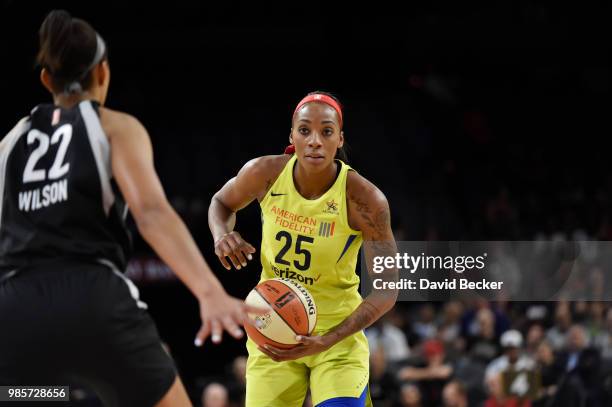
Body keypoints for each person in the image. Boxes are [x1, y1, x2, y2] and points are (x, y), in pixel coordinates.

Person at [0, 10, 265, 407]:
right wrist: (209, 292)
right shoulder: (115, 126)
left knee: (38, 398)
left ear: (45, 79)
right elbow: (151, 213)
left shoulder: (8, 143)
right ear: (102, 73)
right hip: (93, 299)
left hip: (16, 309)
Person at [208, 91, 398, 406]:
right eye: (305, 130)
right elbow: (221, 203)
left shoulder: (364, 200)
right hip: (273, 328)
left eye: (326, 131)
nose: (314, 141)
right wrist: (220, 235)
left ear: (339, 139)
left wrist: (328, 339)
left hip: (337, 337)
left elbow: (387, 289)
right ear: (292, 136)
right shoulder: (264, 173)